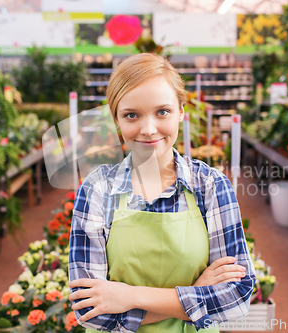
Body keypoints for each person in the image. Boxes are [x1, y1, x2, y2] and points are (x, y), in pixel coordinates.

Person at [68, 53, 256, 333]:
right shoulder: (96, 190)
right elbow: (91, 312)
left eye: (162, 112)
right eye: (132, 115)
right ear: (116, 120)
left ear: (181, 110)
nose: (148, 129)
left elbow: (237, 296)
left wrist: (128, 296)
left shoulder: (211, 185)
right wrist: (197, 292)